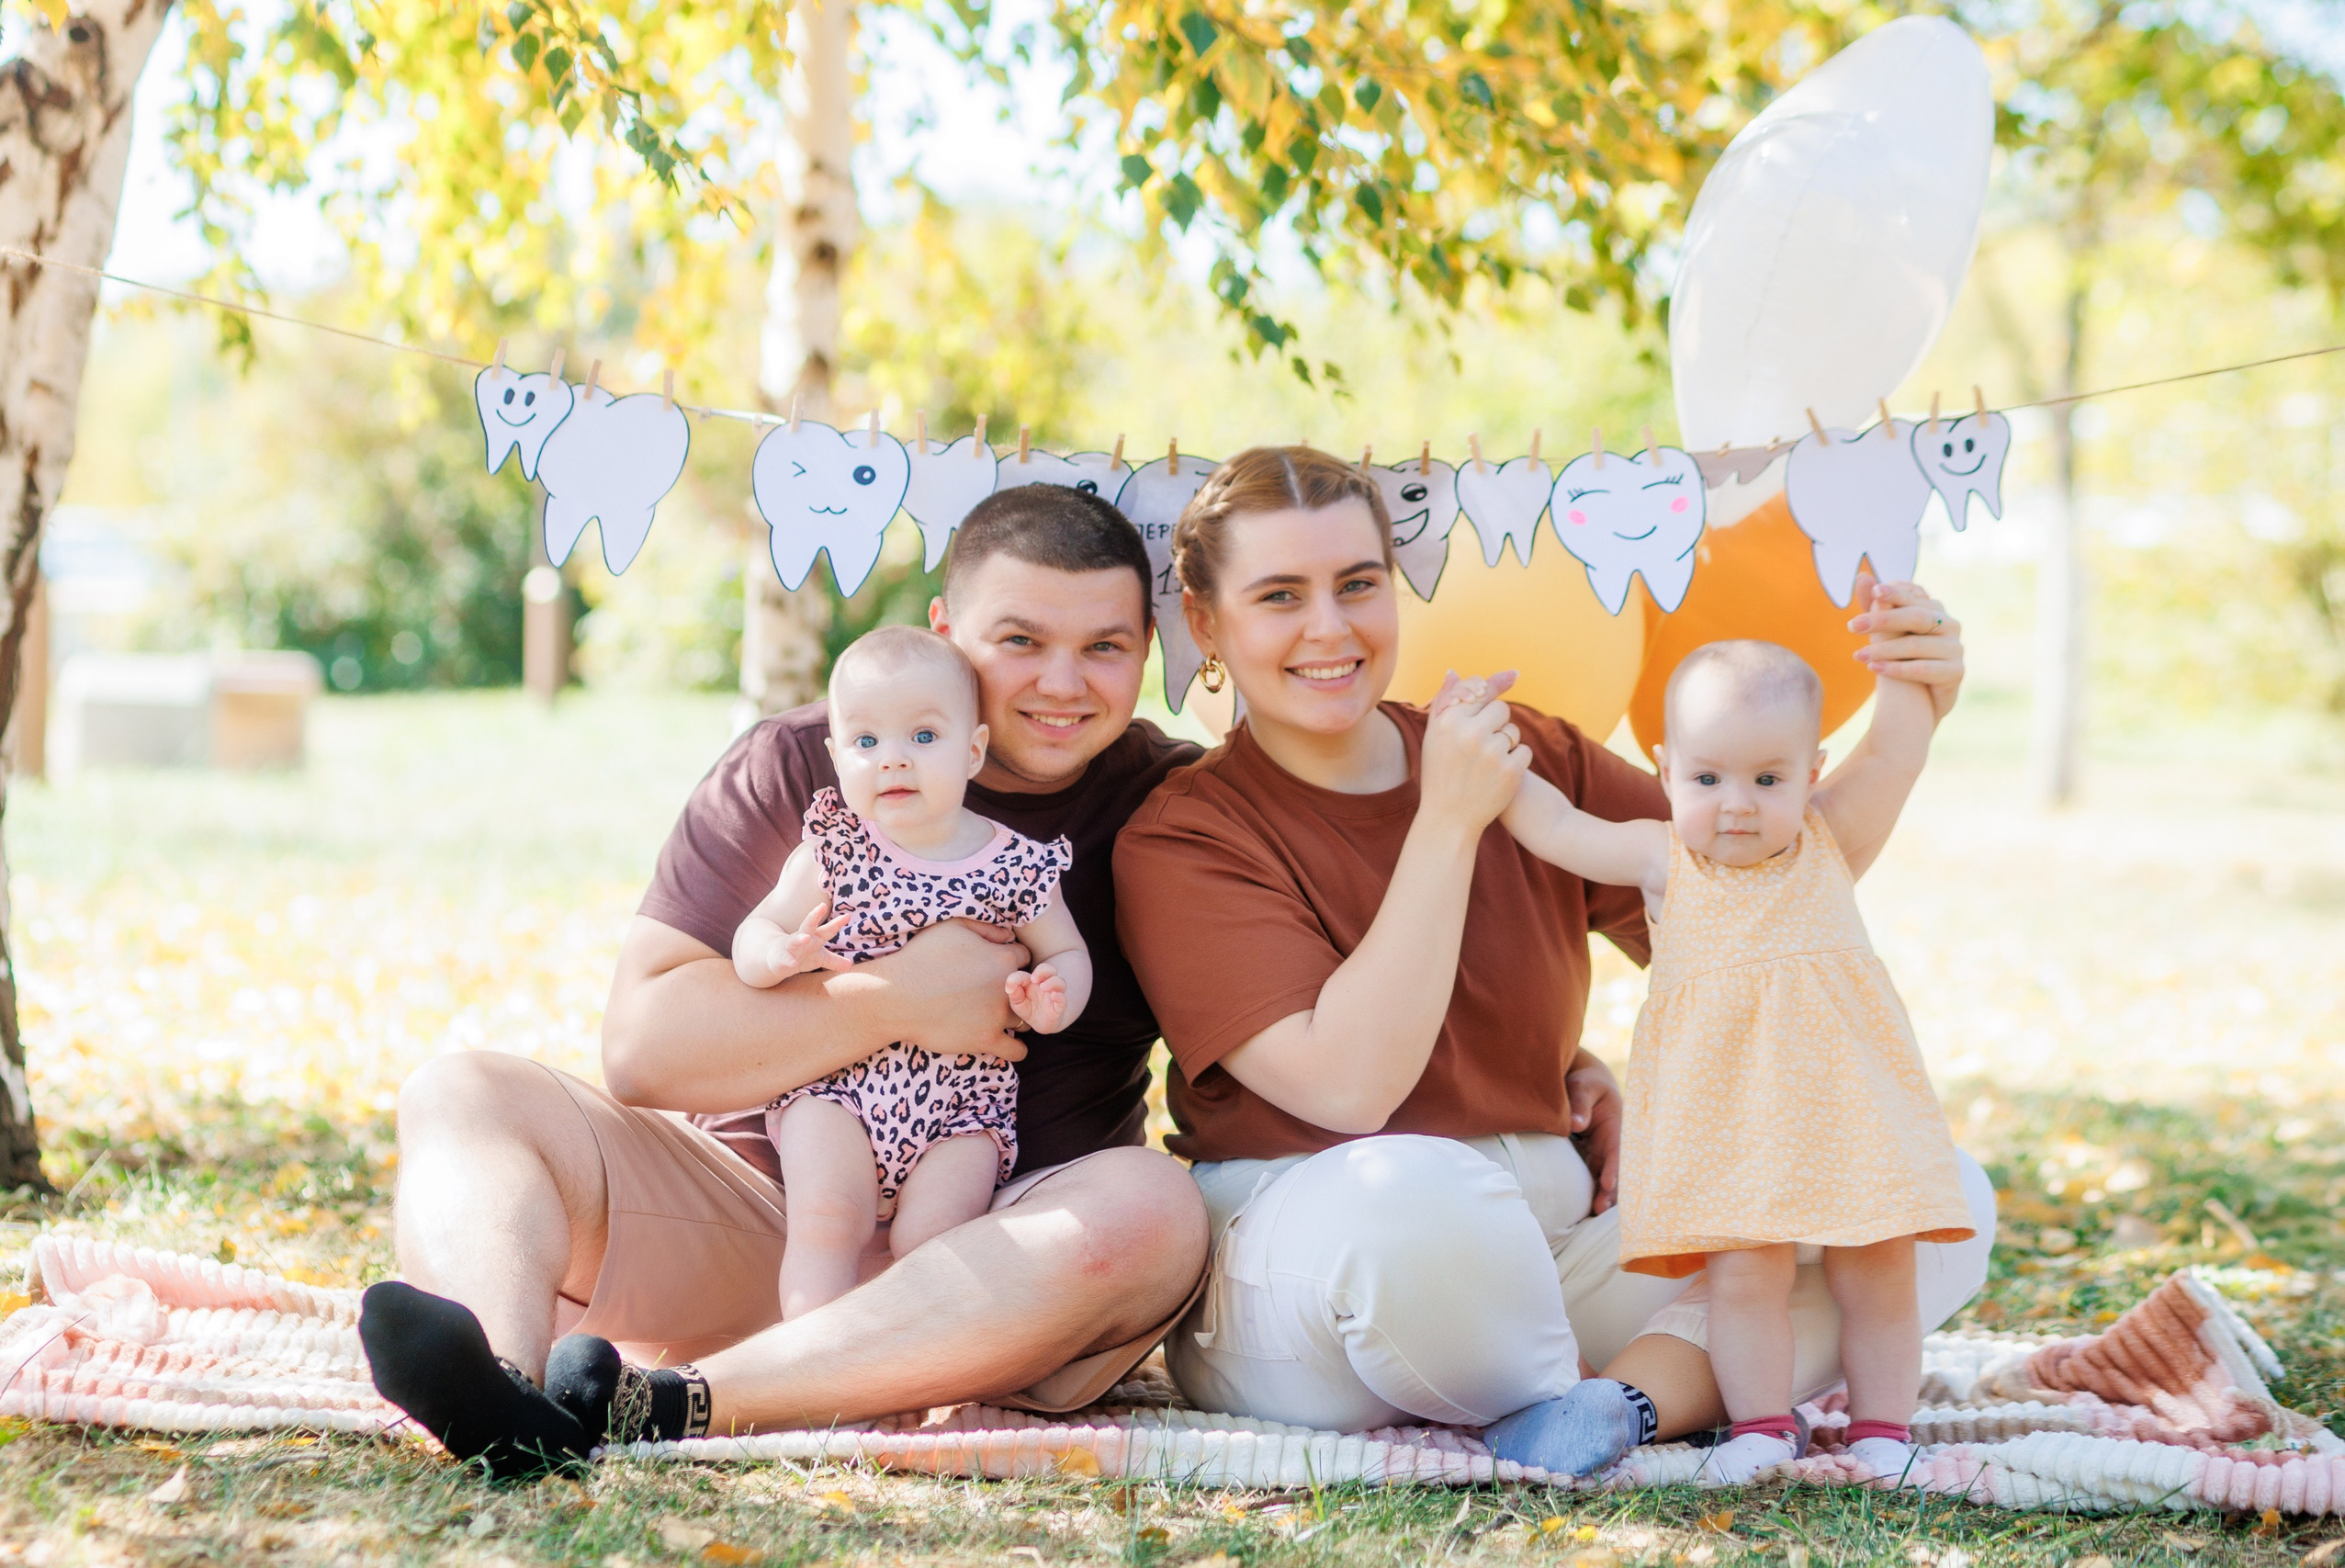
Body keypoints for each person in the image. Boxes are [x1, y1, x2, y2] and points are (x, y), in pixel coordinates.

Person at [1112, 445, 1993, 1480]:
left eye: (1357, 584)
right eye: (1278, 595)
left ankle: (1612, 1407)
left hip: (1552, 1234)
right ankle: (1585, 1380)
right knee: (1416, 1199)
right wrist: (1448, 820)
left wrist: (1910, 704)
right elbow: (1351, 1090)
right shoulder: (1186, 835)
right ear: (1207, 625)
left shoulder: (1520, 748)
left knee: (1926, 1206)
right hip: (1322, 1255)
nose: (1330, 627)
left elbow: (1767, 875)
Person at [359, 486, 1209, 1477]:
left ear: (1147, 649)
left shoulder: (1175, 803)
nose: (1061, 683)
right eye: (1018, 640)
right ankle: (504, 1393)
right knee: (460, 1092)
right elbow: (642, 1049)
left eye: (1104, 647)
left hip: (1002, 1263)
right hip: (759, 1212)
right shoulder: (802, 765)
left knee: (1155, 1209)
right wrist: (894, 999)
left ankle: (680, 1408)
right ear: (944, 629)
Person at [1485, 639, 1972, 1483]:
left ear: (1812, 771)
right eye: (1707, 779)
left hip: (1851, 1106)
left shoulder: (1827, 841)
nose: (1737, 805)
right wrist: (1490, 751)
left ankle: (1884, 1430)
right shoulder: (1660, 857)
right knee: (1746, 1276)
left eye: (1768, 779)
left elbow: (1895, 751)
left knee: (1882, 1267)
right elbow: (1555, 825)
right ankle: (1761, 1426)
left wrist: (1906, 666)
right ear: (1665, 767)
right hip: (1732, 1123)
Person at [731, 625, 1092, 1321]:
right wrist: (778, 955)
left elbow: (1067, 955)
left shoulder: (1015, 863)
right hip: (836, 1088)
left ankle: (900, 1364)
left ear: (974, 749)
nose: (892, 760)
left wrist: (1055, 1000)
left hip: (961, 1106)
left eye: (923, 737)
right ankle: (815, 1366)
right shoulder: (833, 853)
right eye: (867, 743)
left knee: (937, 1240)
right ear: (838, 758)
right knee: (827, 1219)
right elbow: (757, 929)